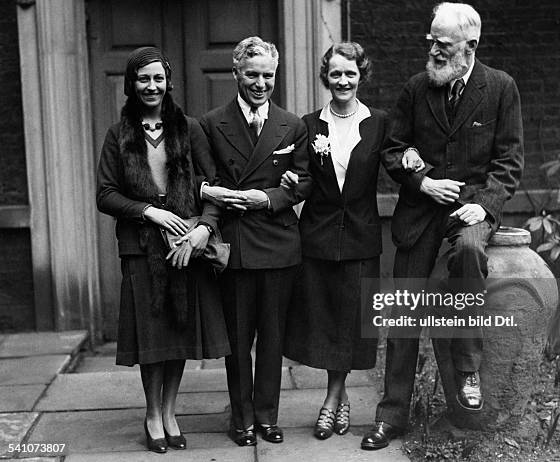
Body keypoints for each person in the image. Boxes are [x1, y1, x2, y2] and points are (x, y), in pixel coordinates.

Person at [361, 2, 524, 450]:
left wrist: (486, 208)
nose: (432, 48)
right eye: (430, 40)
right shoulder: (417, 89)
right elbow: (392, 151)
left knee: (471, 253)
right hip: (419, 214)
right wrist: (422, 181)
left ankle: (468, 371)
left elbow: (509, 162)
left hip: (468, 212)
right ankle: (392, 415)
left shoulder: (500, 87)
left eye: (443, 43)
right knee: (403, 308)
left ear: (470, 47)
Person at [96, 47, 230, 454]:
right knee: (152, 337)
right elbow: (105, 194)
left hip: (185, 246)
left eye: (158, 78)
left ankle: (171, 411)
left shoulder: (188, 128)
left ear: (168, 82)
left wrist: (205, 227)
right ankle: (152, 414)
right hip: (141, 246)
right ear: (131, 85)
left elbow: (212, 184)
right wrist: (148, 212)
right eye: (143, 79)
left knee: (179, 334)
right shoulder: (119, 134)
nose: (151, 86)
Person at [282, 42, 416, 441]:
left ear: (361, 76)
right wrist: (292, 183)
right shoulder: (308, 125)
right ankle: (337, 399)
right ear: (327, 77)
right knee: (324, 324)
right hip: (318, 239)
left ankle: (331, 400)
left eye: (350, 73)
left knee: (350, 326)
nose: (343, 80)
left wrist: (411, 157)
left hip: (361, 238)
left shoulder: (380, 123)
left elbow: (396, 158)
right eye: (336, 73)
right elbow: (302, 175)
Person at [197, 36, 311, 446]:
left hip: (278, 241)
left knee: (272, 338)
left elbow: (306, 182)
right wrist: (214, 193)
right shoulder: (211, 123)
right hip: (237, 244)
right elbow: (201, 178)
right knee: (239, 338)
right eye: (252, 74)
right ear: (235, 74)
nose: (260, 83)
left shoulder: (292, 124)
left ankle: (266, 416)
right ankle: (241, 418)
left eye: (267, 75)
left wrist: (269, 197)